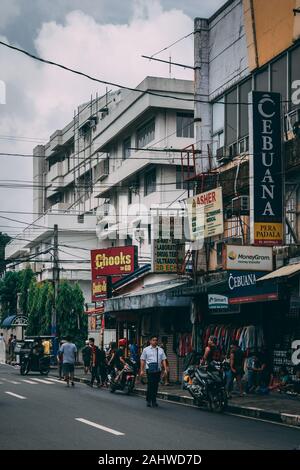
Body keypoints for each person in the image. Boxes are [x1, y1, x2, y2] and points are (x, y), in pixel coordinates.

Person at [140, 335, 167, 408]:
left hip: (158, 370)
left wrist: (165, 369)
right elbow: (142, 360)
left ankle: (154, 400)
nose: (155, 341)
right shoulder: (146, 349)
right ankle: (149, 400)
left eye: (156, 340)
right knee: (150, 385)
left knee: (155, 385)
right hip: (149, 369)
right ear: (150, 341)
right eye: (153, 340)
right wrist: (142, 370)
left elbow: (164, 359)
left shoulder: (161, 350)